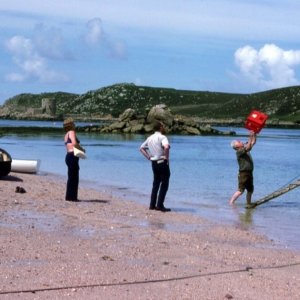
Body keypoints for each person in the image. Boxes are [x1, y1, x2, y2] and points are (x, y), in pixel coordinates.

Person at [140, 121, 171, 212]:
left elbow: (141, 148)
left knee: (156, 183)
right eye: (163, 126)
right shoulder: (162, 137)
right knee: (164, 183)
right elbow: (166, 147)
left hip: (153, 162)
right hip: (162, 161)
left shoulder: (150, 138)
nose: (164, 127)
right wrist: (166, 158)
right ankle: (160, 205)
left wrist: (149, 157)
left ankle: (152, 205)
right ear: (160, 127)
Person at [229, 131, 257, 206]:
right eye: (239, 142)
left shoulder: (244, 148)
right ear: (237, 146)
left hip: (249, 172)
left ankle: (248, 203)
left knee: (250, 190)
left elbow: (252, 143)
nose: (241, 141)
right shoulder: (239, 151)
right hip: (243, 173)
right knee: (241, 190)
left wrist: (254, 135)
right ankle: (231, 202)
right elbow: (249, 147)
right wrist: (250, 137)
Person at [63, 118, 85, 201]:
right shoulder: (71, 132)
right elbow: (74, 143)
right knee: (74, 178)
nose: (75, 124)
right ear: (71, 125)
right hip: (72, 156)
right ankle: (72, 197)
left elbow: (69, 145)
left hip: (69, 156)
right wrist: (82, 150)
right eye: (73, 123)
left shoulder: (66, 135)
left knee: (71, 177)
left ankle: (69, 197)